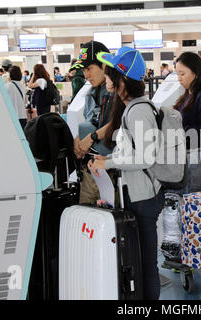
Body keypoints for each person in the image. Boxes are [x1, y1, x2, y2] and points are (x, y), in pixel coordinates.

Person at [89, 46, 165, 300]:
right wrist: (106, 159)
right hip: (137, 193)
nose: (106, 78)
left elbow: (146, 157)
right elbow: (132, 152)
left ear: (122, 80)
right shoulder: (132, 108)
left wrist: (108, 164)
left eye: (110, 74)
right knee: (139, 260)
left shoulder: (139, 110)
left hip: (143, 197)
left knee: (146, 263)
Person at [70, 41, 116, 204]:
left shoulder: (116, 92)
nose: (86, 75)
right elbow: (89, 122)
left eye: (89, 69)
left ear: (104, 66)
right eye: (83, 70)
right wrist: (77, 139)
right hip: (89, 169)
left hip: (111, 169)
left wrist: (91, 137)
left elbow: (117, 125)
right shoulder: (90, 94)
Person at [173, 52, 201, 155]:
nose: (179, 78)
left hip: (199, 157)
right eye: (177, 74)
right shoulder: (186, 97)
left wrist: (182, 131)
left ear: (196, 74)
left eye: (183, 74)